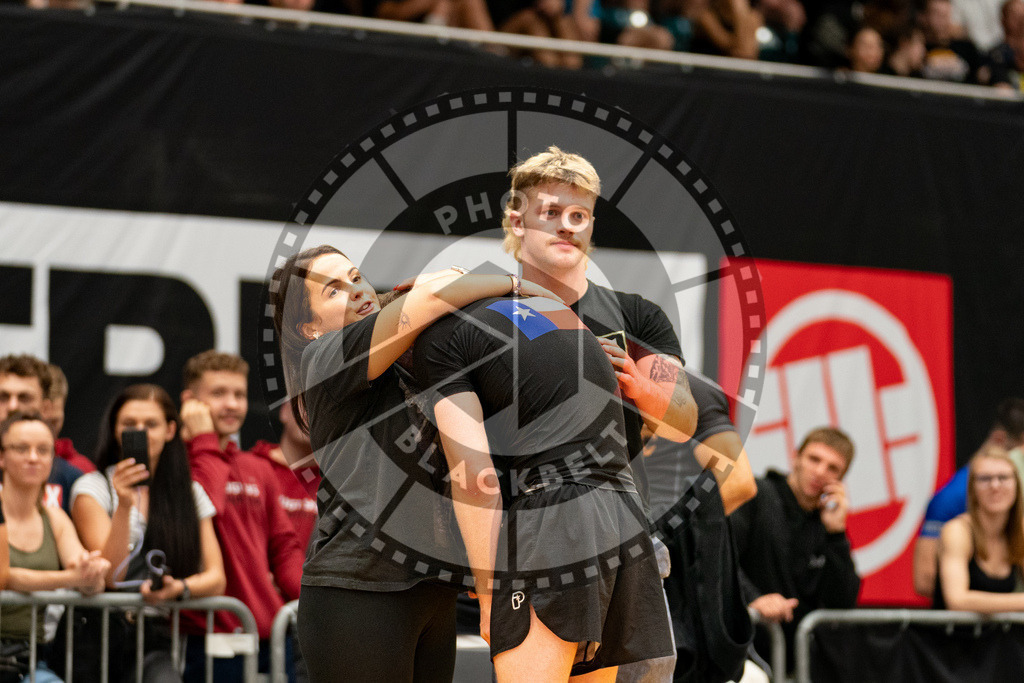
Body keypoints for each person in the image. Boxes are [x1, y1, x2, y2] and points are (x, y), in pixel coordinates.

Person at [270, 245, 561, 681]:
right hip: (358, 592)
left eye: (356, 277)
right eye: (334, 290)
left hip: (433, 588)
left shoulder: (411, 356)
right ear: (309, 327)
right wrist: (516, 285)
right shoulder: (323, 359)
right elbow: (430, 298)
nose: (356, 290)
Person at [500, 145, 697, 681]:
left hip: (622, 531)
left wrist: (635, 382)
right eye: (551, 211)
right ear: (517, 220)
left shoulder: (634, 315)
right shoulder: (488, 315)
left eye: (579, 214)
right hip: (528, 533)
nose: (567, 225)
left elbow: (683, 418)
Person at [413, 294, 675, 680]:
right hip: (625, 514)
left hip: (558, 510)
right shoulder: (545, 311)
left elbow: (475, 479)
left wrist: (488, 595)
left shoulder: (433, 341)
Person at [69, 384, 226, 683]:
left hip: (155, 636)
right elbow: (110, 576)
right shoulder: (93, 487)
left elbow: (216, 578)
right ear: (115, 430)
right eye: (129, 424)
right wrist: (124, 505)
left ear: (170, 430)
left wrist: (178, 588)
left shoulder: (190, 493)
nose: (141, 432)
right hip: (97, 635)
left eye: (151, 424)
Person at [177, 351, 305, 682]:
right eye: (218, 393)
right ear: (190, 402)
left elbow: (284, 547)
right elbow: (209, 505)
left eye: (239, 394)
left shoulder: (257, 468)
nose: (232, 404)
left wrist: (312, 601)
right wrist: (204, 440)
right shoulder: (177, 464)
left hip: (271, 636)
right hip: (208, 637)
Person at [729, 426, 861, 670]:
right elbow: (720, 558)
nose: (820, 471)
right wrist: (754, 598)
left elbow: (842, 603)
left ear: (841, 479)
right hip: (742, 651)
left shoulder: (826, 524)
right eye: (814, 459)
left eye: (833, 468)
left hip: (796, 662)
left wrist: (837, 534)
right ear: (796, 457)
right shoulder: (756, 494)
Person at [0, 411, 109, 683]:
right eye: (21, 448)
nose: (33, 457)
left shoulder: (55, 518)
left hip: (29, 657)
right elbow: (5, 576)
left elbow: (87, 578)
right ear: (2, 456)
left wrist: (93, 573)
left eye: (43, 450)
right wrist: (70, 578)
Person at [912, 397, 1024, 598]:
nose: (996, 486)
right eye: (1021, 451)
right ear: (1000, 439)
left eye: (1004, 478)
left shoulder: (1017, 522)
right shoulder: (952, 499)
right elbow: (925, 580)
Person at [933, 445, 1024, 611]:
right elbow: (957, 600)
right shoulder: (957, 531)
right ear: (972, 488)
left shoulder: (1020, 531)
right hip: (952, 628)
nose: (995, 486)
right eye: (985, 479)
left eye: (1003, 477)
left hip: (998, 629)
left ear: (1017, 485)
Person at [0, 354, 84, 513]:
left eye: (24, 398)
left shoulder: (71, 479)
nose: (12, 406)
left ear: (46, 408)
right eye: (3, 397)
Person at [44, 363, 96, 474]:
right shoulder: (7, 463)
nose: (46, 430)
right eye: (40, 422)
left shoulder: (82, 468)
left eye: (53, 422)